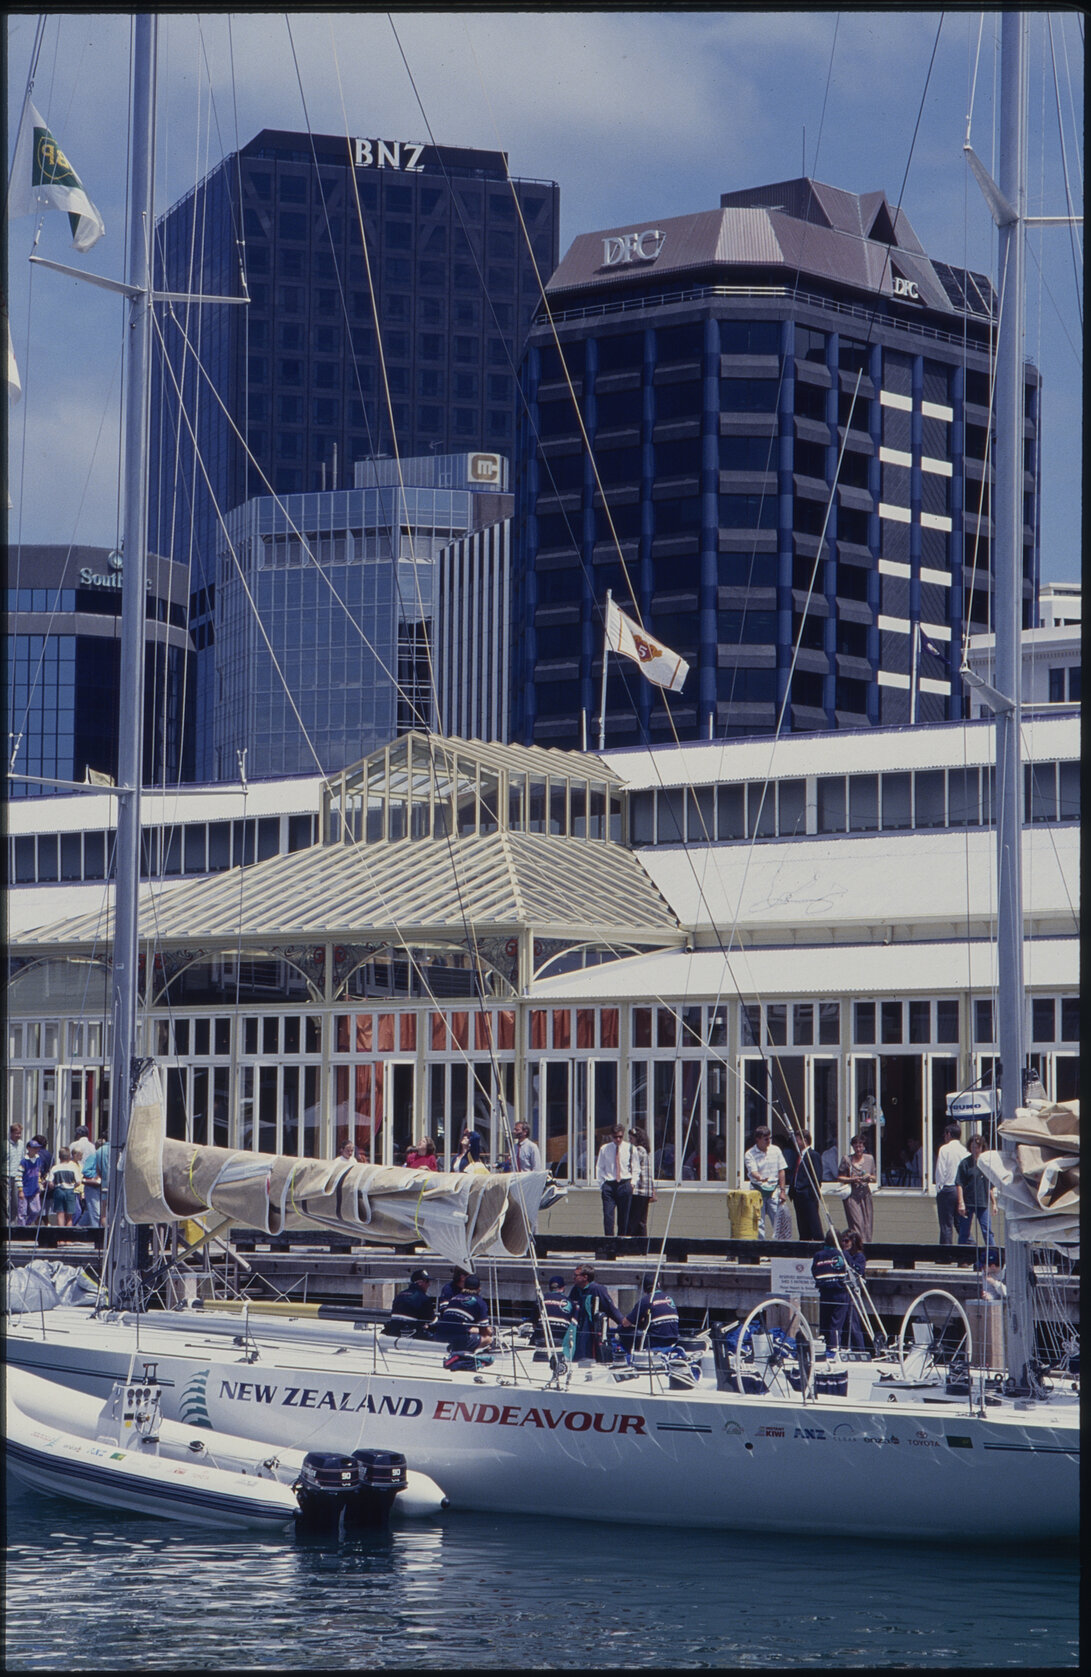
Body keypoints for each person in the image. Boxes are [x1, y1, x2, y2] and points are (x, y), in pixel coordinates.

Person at [568, 1264, 625, 1362]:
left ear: (585, 1277)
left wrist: (623, 1323)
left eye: (576, 1275)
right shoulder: (575, 1290)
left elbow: (611, 1309)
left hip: (592, 1332)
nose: (573, 1277)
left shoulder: (597, 1289)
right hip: (578, 1330)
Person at [810, 1229, 850, 1360]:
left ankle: (823, 1349)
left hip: (824, 1293)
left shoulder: (818, 1255)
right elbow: (852, 1270)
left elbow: (814, 1271)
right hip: (840, 1293)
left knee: (824, 1322)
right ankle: (834, 1350)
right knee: (836, 1323)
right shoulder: (843, 1255)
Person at [743, 1125, 788, 1239]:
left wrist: (783, 1191)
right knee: (759, 1222)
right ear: (758, 1139)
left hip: (773, 1189)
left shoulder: (775, 1150)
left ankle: (781, 1245)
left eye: (770, 1138)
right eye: (766, 1139)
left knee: (778, 1220)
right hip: (757, 1189)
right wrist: (760, 1178)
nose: (769, 1141)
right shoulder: (750, 1153)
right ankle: (761, 1247)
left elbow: (781, 1170)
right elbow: (753, 1171)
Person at [956, 1133, 998, 1247]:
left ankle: (992, 1253)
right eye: (973, 1147)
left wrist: (994, 1203)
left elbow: (989, 1186)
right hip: (968, 1202)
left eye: (977, 1147)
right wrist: (961, 1202)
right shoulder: (965, 1163)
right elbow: (959, 1183)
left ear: (982, 1148)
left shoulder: (986, 1164)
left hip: (982, 1202)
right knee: (964, 1231)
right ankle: (961, 1255)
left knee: (987, 1230)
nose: (975, 1150)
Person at [595, 1126, 637, 1237]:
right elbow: (600, 1167)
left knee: (623, 1217)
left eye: (620, 1137)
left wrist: (632, 1183)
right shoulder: (605, 1149)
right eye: (615, 1137)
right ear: (611, 1136)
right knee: (608, 1217)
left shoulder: (630, 1148)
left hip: (624, 1184)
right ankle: (609, 1242)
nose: (618, 1139)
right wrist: (602, 1184)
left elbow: (636, 1168)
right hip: (609, 1185)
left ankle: (621, 1242)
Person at [434, 1273, 492, 1351]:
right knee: (488, 1339)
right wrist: (491, 1331)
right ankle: (464, 1350)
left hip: (439, 1335)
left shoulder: (454, 1299)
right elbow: (484, 1331)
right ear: (479, 1289)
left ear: (464, 1286)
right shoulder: (480, 1302)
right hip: (458, 1340)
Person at [622, 1274, 680, 1350]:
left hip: (656, 1341)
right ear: (658, 1285)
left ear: (644, 1289)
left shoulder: (645, 1301)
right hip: (673, 1340)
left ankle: (627, 1353)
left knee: (623, 1330)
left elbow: (626, 1323)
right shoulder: (669, 1298)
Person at [934, 1123, 969, 1245]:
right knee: (961, 1223)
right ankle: (967, 1248)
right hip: (961, 1190)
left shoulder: (945, 1149)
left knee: (946, 1225)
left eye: (945, 1134)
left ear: (948, 1134)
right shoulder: (965, 1151)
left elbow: (941, 1170)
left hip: (948, 1188)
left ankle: (946, 1252)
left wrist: (939, 1187)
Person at [837, 1133, 876, 1242]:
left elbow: (874, 1178)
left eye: (860, 1146)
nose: (858, 1149)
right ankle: (857, 1246)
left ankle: (866, 1246)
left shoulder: (869, 1159)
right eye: (856, 1146)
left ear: (864, 1146)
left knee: (867, 1224)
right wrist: (852, 1179)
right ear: (853, 1147)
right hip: (852, 1196)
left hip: (865, 1195)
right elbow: (840, 1177)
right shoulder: (847, 1159)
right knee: (857, 1223)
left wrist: (869, 1177)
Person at [788, 1127, 824, 1241]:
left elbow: (817, 1176)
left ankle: (819, 1244)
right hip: (798, 1195)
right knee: (802, 1225)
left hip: (808, 1195)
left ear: (805, 1140)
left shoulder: (813, 1155)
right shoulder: (799, 1155)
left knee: (814, 1223)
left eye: (797, 1140)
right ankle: (804, 1243)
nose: (795, 1142)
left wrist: (811, 1193)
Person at [535, 1275, 576, 1358]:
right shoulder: (569, 1302)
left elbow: (534, 1321)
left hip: (543, 1334)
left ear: (550, 1288)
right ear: (563, 1288)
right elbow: (573, 1323)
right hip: (561, 1335)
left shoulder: (541, 1299)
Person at [386, 1268, 436, 1335]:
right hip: (411, 1333)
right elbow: (431, 1321)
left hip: (394, 1332)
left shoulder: (400, 1295)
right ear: (420, 1283)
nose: (429, 1284)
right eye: (427, 1281)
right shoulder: (423, 1298)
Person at [841, 1230, 868, 1351]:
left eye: (846, 1241)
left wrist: (847, 1257)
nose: (844, 1243)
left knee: (853, 1323)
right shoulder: (842, 1256)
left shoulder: (859, 1257)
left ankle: (860, 1350)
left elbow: (859, 1270)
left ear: (853, 1242)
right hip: (843, 1292)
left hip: (854, 1293)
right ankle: (845, 1348)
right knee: (843, 1323)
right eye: (842, 1241)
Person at [627, 1127, 655, 1236]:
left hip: (639, 1190)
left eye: (631, 1139)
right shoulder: (645, 1151)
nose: (630, 1141)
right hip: (645, 1191)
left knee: (634, 1220)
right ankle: (642, 1243)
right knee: (641, 1220)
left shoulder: (638, 1150)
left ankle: (635, 1242)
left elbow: (631, 1166)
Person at [77, 1135, 109, 1229]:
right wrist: (96, 1175)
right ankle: (96, 1232)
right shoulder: (93, 1156)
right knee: (96, 1212)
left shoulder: (97, 1155)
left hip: (99, 1187)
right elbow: (85, 1170)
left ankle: (77, 1229)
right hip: (92, 1187)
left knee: (90, 1212)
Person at [46, 1147, 82, 1228]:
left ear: (59, 1157)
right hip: (70, 1191)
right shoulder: (73, 1168)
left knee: (60, 1214)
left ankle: (61, 1234)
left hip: (59, 1190)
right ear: (69, 1157)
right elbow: (78, 1181)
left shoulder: (55, 1168)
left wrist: (53, 1186)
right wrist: (73, 1186)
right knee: (69, 1217)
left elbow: (50, 1182)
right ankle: (68, 1234)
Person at [17, 1139, 43, 1226]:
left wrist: (39, 1184)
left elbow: (38, 1173)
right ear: (28, 1148)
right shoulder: (24, 1161)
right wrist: (20, 1190)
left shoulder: (38, 1159)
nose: (36, 1150)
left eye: (37, 1148)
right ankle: (21, 1229)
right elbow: (18, 1176)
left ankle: (28, 1224)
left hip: (34, 1189)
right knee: (22, 1212)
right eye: (34, 1148)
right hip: (25, 1189)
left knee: (36, 1210)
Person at [6, 1123, 24, 1226]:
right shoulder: (5, 1145)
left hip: (17, 1176)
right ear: (11, 1133)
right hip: (7, 1175)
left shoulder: (21, 1144)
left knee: (15, 1202)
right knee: (6, 1201)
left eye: (20, 1133)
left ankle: (12, 1224)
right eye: (17, 1133)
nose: (19, 1135)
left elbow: (22, 1159)